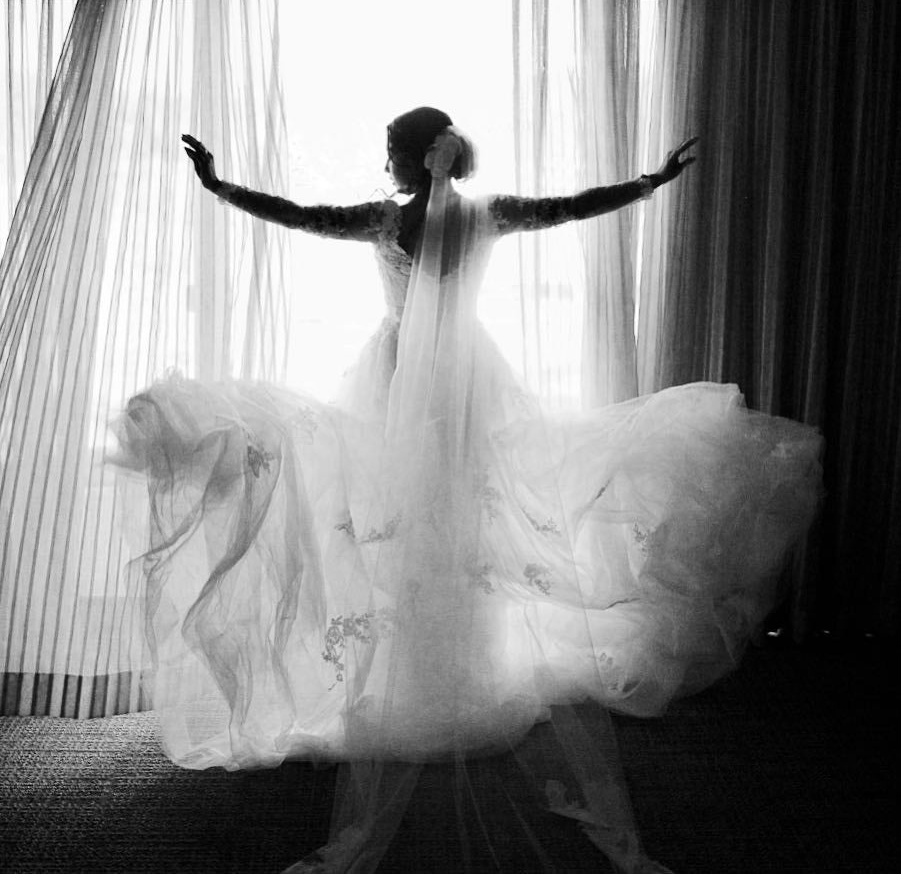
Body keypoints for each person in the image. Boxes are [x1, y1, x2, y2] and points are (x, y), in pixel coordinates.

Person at [115, 107, 822, 872]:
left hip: (419, 385)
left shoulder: (389, 220)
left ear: (419, 158)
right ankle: (440, 672)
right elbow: (568, 206)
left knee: (420, 518)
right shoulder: (480, 216)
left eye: (390, 149)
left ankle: (433, 674)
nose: (383, 159)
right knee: (433, 519)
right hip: (453, 383)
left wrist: (220, 185)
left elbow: (302, 216)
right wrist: (648, 182)